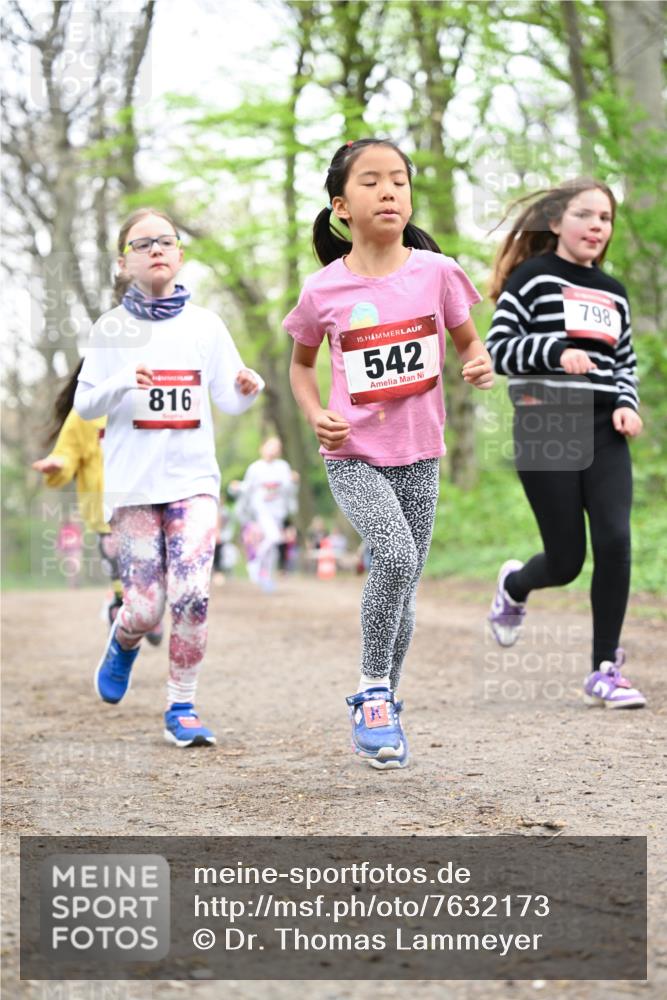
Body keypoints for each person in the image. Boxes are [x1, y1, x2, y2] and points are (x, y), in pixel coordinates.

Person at [284, 138, 492, 769]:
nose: (389, 192)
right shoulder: (324, 290)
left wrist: (477, 363)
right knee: (394, 556)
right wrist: (316, 412)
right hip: (354, 452)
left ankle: (386, 705)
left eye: (398, 180)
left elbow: (466, 342)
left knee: (404, 586)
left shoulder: (438, 272)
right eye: (371, 182)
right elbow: (300, 364)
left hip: (421, 451)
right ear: (341, 207)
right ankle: (372, 694)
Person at [74, 208, 264, 746]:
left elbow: (228, 397)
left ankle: (182, 705)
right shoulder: (111, 328)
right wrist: (120, 382)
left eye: (166, 240)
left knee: (192, 596)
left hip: (194, 482)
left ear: (180, 254)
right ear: (123, 262)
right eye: (142, 243)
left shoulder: (206, 324)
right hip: (133, 487)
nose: (155, 248)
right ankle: (124, 639)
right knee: (145, 606)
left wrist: (247, 388)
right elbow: (86, 406)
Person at [485, 178, 645, 709]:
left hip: (603, 427)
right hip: (545, 422)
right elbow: (499, 350)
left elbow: (624, 363)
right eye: (585, 215)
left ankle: (604, 669)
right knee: (566, 560)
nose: (597, 226)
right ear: (555, 223)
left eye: (605, 218)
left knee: (616, 542)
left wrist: (627, 403)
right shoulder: (531, 279)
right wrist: (555, 351)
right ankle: (515, 586)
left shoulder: (614, 292)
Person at [32, 364, 163, 642]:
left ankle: (148, 609)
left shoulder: (145, 399)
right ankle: (122, 616)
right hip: (103, 511)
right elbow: (67, 453)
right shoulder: (83, 415)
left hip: (143, 504)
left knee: (150, 567)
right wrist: (59, 464)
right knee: (120, 579)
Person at [233, 436, 298, 592]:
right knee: (274, 537)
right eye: (271, 446)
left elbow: (289, 490)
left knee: (273, 548)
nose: (273, 450)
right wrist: (236, 488)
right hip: (261, 511)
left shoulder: (283, 467)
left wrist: (294, 482)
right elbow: (248, 488)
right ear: (262, 448)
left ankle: (266, 576)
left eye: (277, 447)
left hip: (278, 512)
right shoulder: (255, 468)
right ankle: (255, 561)